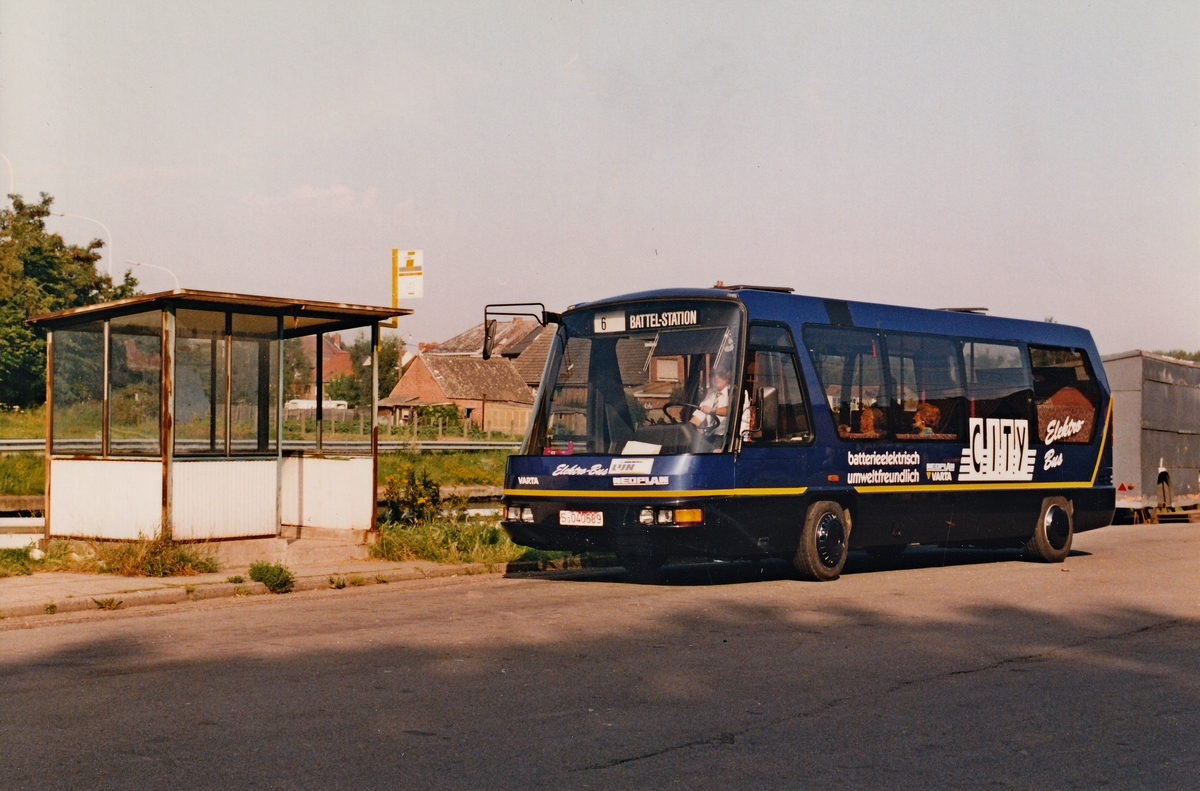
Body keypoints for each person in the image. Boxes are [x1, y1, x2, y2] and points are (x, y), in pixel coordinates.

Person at [690, 366, 731, 436]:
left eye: (720, 374)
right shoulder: (711, 395)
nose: (716, 377)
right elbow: (698, 416)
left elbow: (732, 410)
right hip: (711, 436)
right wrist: (687, 428)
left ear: (728, 375)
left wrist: (713, 410)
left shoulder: (737, 393)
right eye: (712, 374)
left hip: (729, 437)